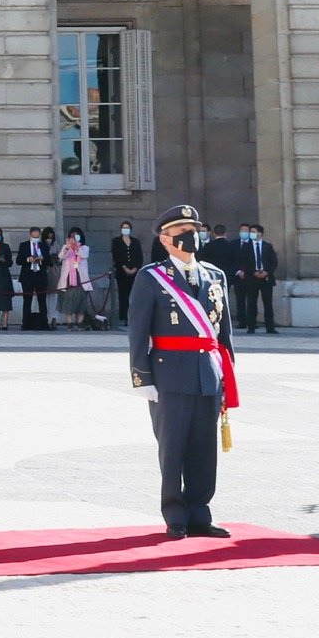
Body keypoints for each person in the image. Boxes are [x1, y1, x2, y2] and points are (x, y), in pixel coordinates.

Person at [129, 204, 239, 539]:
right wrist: (141, 377)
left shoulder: (214, 275)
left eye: (194, 230)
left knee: (204, 449)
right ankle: (175, 515)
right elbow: (137, 331)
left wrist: (227, 374)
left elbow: (224, 333)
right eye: (183, 232)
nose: (192, 237)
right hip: (169, 374)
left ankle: (199, 514)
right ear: (166, 239)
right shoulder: (151, 278)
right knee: (173, 446)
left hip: (208, 373)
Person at [233, 223, 279, 335]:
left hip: (266, 278)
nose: (251, 234)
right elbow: (244, 262)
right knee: (251, 302)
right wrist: (253, 272)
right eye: (251, 232)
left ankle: (270, 326)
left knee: (268, 303)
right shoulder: (246, 246)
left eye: (253, 232)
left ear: (260, 233)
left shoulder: (268, 246)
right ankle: (251, 326)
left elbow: (274, 262)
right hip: (252, 278)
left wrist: (266, 272)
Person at [109, 220, 145, 322]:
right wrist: (124, 267)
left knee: (134, 295)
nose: (125, 230)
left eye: (127, 228)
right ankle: (124, 317)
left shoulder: (135, 241)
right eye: (124, 228)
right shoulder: (116, 241)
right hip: (122, 273)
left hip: (134, 273)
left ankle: (134, 316)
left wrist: (135, 268)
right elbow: (116, 256)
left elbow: (139, 256)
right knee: (123, 295)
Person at [18, 228, 52, 331]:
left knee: (42, 300)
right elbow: (18, 260)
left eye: (37, 236)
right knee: (27, 300)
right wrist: (28, 259)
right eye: (34, 236)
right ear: (30, 235)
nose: (35, 238)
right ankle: (26, 323)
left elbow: (50, 262)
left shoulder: (44, 246)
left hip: (40, 275)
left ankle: (44, 323)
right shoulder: (23, 245)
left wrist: (42, 259)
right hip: (28, 275)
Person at [56, 228, 92, 329]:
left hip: (80, 278)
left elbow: (84, 255)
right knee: (68, 300)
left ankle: (80, 323)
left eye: (76, 236)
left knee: (81, 301)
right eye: (72, 236)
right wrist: (68, 247)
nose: (74, 238)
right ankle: (69, 323)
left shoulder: (85, 248)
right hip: (68, 278)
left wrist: (76, 247)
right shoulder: (65, 247)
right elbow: (61, 256)